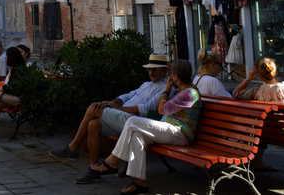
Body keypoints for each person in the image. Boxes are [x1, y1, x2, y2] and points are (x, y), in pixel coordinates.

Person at [50, 53, 169, 180]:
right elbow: (128, 95)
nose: (151, 72)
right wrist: (113, 102)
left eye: (154, 69)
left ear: (164, 70)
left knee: (93, 108)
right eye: (149, 69)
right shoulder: (146, 85)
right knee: (93, 125)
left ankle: (73, 147)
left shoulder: (165, 88)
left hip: (136, 121)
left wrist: (116, 108)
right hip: (122, 116)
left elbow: (145, 109)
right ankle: (94, 168)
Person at [90, 60, 202, 194]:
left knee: (132, 122)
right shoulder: (181, 91)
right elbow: (163, 109)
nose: (170, 77)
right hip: (169, 129)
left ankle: (112, 161)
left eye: (171, 74)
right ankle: (139, 182)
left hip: (180, 133)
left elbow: (162, 109)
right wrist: (167, 91)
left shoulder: (191, 94)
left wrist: (166, 91)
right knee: (138, 135)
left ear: (176, 75)